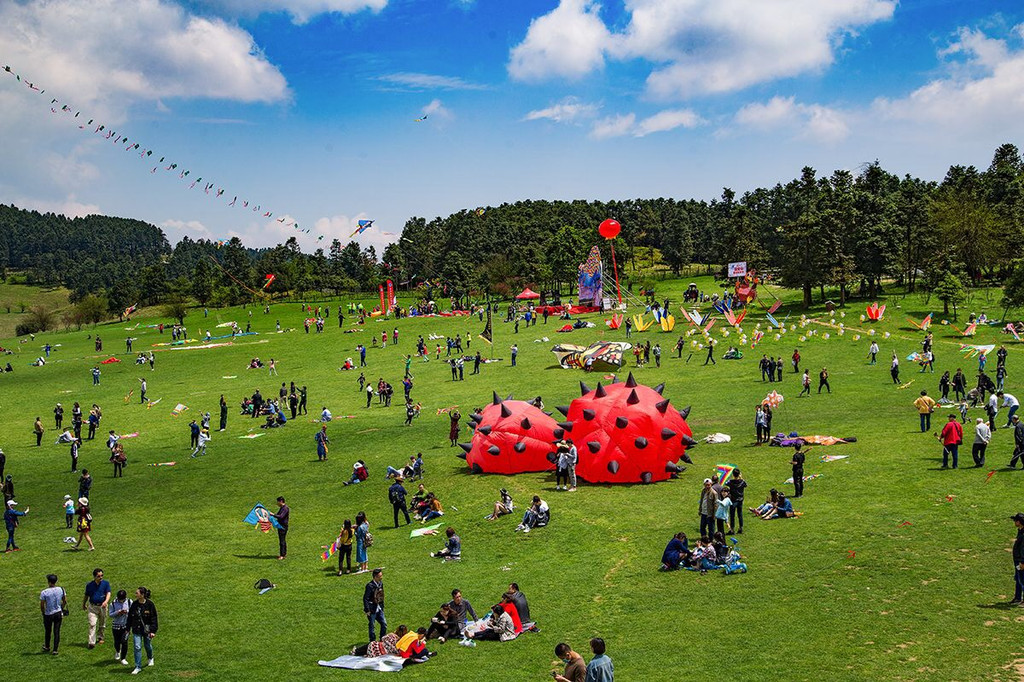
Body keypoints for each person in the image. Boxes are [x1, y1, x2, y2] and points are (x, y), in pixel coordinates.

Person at [127, 586, 158, 674]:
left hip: (147, 630)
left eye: (137, 593)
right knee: (137, 647)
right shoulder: (134, 604)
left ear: (142, 595)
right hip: (136, 629)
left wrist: (153, 631)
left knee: (147, 645)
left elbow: (154, 618)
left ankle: (150, 657)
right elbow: (130, 617)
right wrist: (127, 628)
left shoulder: (150, 604)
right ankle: (138, 666)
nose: (135, 594)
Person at [40, 573, 68, 655]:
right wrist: (61, 608)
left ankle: (47, 646)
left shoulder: (44, 592)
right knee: (57, 631)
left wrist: (43, 613)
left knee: (48, 631)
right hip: (58, 613)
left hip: (48, 614)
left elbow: (42, 605)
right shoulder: (61, 589)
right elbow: (65, 601)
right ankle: (55, 649)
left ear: (49, 582)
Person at [83, 567, 111, 648]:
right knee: (92, 624)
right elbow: (86, 595)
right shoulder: (89, 585)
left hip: (102, 607)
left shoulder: (105, 583)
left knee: (102, 623)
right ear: (94, 577)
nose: (101, 577)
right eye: (99, 576)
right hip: (92, 607)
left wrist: (106, 601)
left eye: (102, 575)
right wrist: (83, 604)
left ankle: (101, 636)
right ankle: (91, 642)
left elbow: (108, 593)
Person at [363, 568, 387, 641]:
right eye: (380, 576)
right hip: (372, 609)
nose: (381, 577)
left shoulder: (380, 583)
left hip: (379, 608)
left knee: (384, 624)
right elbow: (365, 598)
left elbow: (381, 594)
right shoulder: (369, 586)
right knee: (372, 626)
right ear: (375, 577)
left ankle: (382, 639)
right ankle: (372, 641)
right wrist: (367, 610)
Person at [110, 589, 131, 665]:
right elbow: (110, 614)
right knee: (117, 642)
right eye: (120, 600)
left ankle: (123, 658)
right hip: (116, 626)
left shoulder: (129, 602)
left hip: (126, 626)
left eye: (123, 600)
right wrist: (117, 612)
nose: (121, 601)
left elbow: (132, 611)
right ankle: (117, 651)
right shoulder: (113, 603)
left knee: (124, 642)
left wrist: (127, 611)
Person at [727, 469, 746, 534]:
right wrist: (741, 478)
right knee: (740, 514)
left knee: (732, 515)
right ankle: (741, 528)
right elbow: (746, 485)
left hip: (733, 500)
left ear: (733, 474)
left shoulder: (730, 482)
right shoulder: (742, 482)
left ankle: (732, 529)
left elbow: (726, 483)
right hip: (740, 500)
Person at [1012, 513, 1024, 605]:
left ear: (1019, 522)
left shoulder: (1023, 534)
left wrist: (1022, 562)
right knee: (1018, 579)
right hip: (1018, 560)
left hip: (1021, 561)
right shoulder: (1020, 531)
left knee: (1022, 580)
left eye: (1015, 520)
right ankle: (1017, 598)